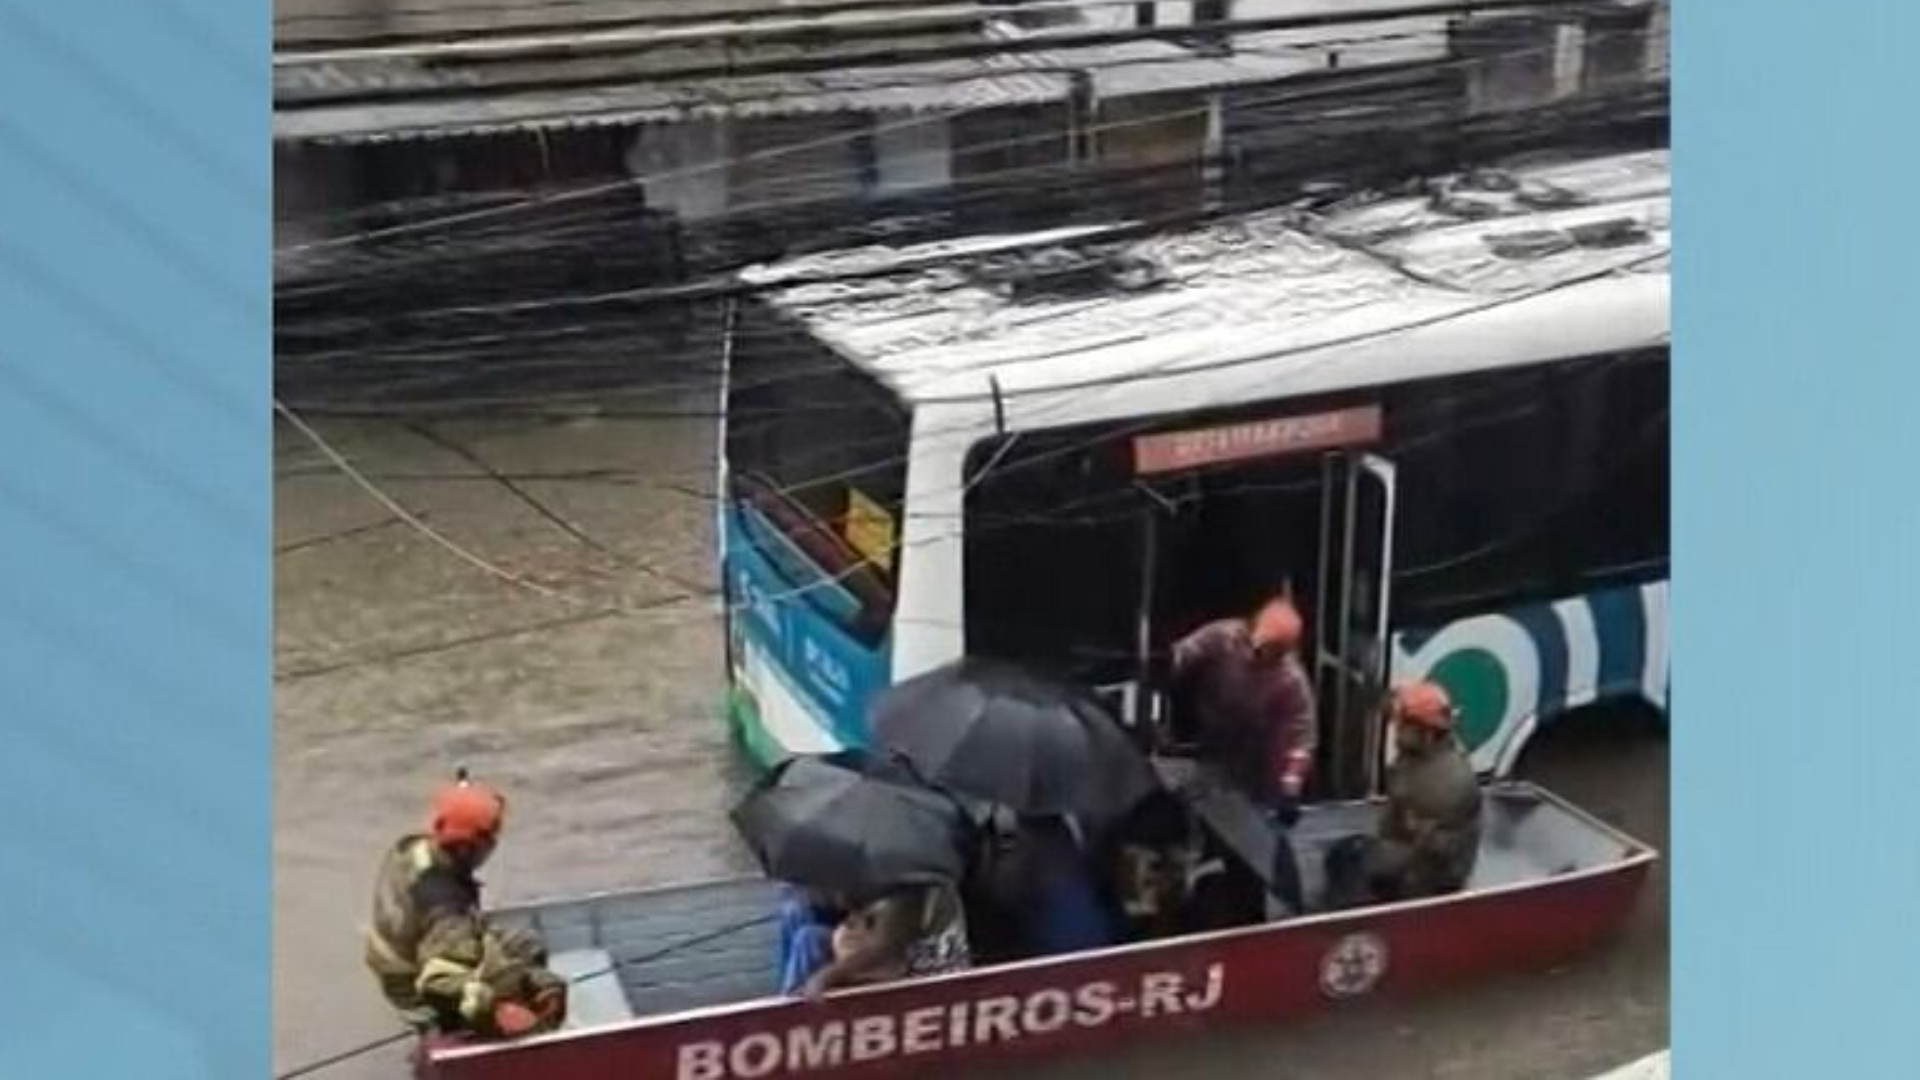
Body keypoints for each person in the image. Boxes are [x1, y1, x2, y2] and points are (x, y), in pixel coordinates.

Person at [365, 773, 568, 1040]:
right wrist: (499, 1008)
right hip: (417, 985)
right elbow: (438, 985)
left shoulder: (419, 847)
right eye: (491, 839)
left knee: (525, 944)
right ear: (471, 848)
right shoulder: (446, 907)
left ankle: (534, 988)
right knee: (516, 962)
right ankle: (450, 1033)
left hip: (404, 949)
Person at [1171, 595, 1316, 911]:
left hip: (1256, 766)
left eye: (1275, 652)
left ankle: (1249, 914)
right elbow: (1181, 655)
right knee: (1200, 832)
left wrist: (1290, 788)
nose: (1263, 655)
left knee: (1250, 854)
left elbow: (1300, 740)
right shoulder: (1221, 637)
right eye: (1262, 647)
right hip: (1210, 748)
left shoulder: (1290, 681)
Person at [1339, 681, 1483, 904]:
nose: (1395, 729)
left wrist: (1398, 904)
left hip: (1430, 874)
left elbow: (1427, 863)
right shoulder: (1420, 749)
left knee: (1353, 873)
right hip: (1403, 841)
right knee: (1346, 854)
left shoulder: (1444, 786)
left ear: (1426, 733)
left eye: (1403, 725)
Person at [800, 880, 970, 1000]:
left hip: (927, 980)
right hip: (896, 962)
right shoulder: (886, 882)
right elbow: (856, 923)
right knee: (811, 936)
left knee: (814, 943)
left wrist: (825, 977)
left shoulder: (915, 887)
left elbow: (885, 949)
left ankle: (798, 1010)